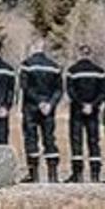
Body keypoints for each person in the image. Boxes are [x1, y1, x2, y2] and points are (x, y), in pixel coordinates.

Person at [20, 39, 62, 183]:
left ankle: (33, 174)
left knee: (31, 138)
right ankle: (53, 173)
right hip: (48, 109)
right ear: (43, 48)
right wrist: (49, 103)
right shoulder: (54, 66)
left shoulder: (26, 65)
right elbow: (59, 89)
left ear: (33, 47)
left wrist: (39, 102)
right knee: (49, 138)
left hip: (31, 107)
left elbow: (25, 87)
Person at [64, 44, 103, 183]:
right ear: (90, 54)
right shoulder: (99, 71)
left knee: (76, 141)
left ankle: (77, 174)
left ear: (79, 54)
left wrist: (81, 104)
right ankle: (95, 174)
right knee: (94, 141)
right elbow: (102, 92)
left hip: (77, 111)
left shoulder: (72, 71)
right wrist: (92, 104)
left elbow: (70, 91)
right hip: (93, 111)